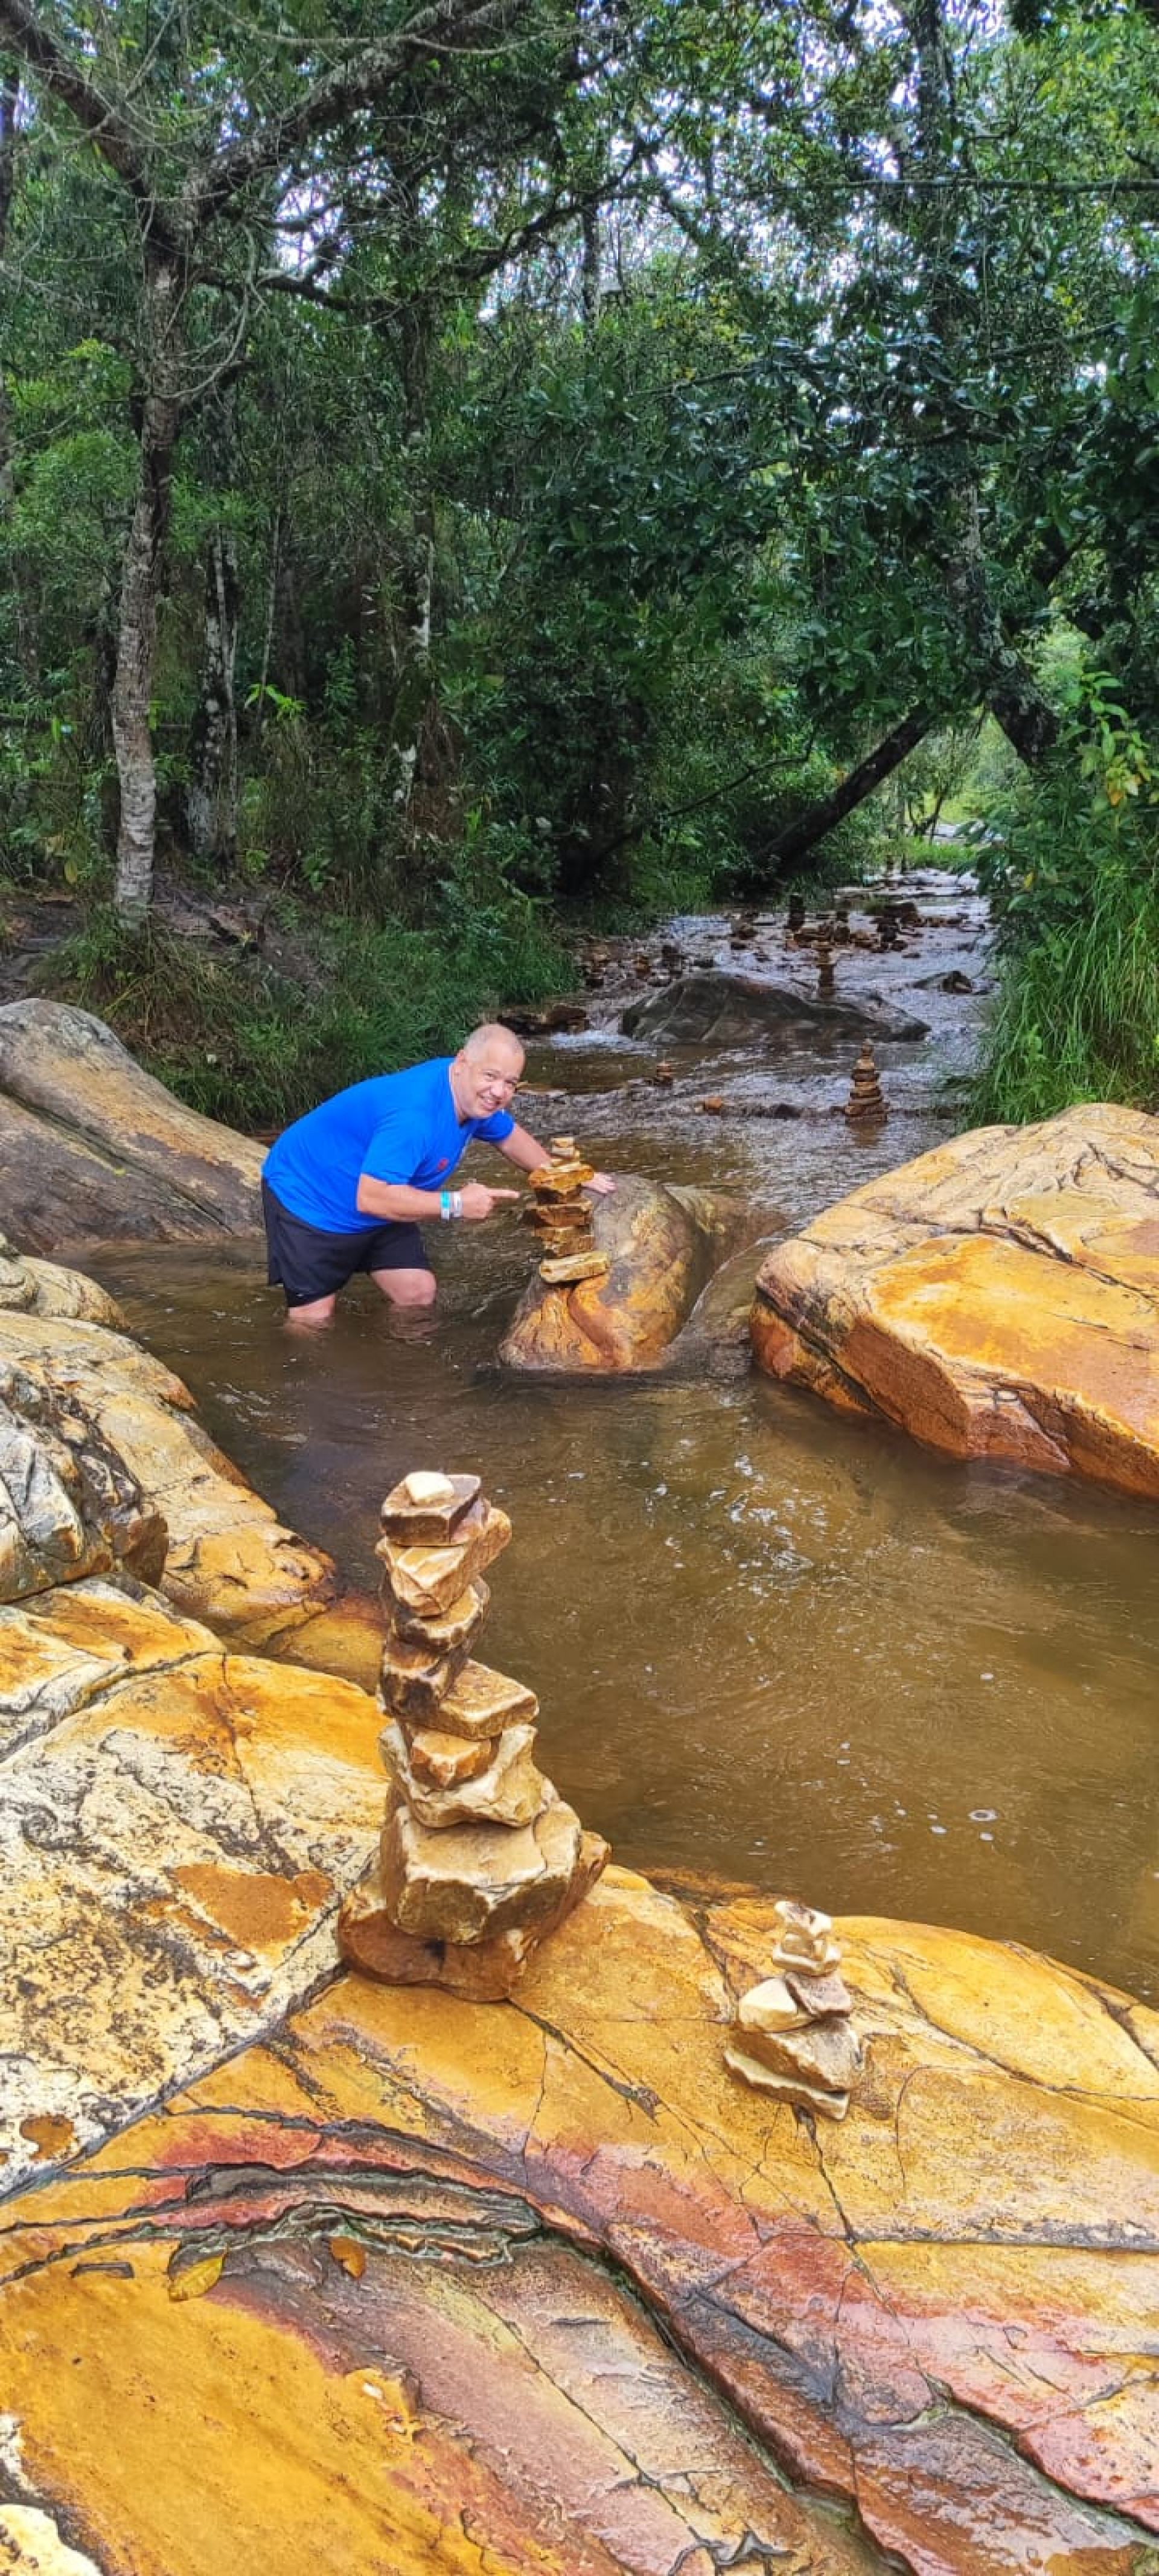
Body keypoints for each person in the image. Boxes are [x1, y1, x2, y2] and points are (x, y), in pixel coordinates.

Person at [261, 1022, 613, 1327]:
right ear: (462, 1062)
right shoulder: (415, 1115)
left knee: (418, 1293)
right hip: (311, 1197)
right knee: (314, 1323)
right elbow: (371, 1198)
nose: (499, 1092)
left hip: (380, 1196)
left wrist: (567, 1175)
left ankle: (398, 1379)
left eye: (510, 1083)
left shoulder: (473, 1095)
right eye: (491, 1077)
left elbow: (510, 1138)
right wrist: (456, 1204)